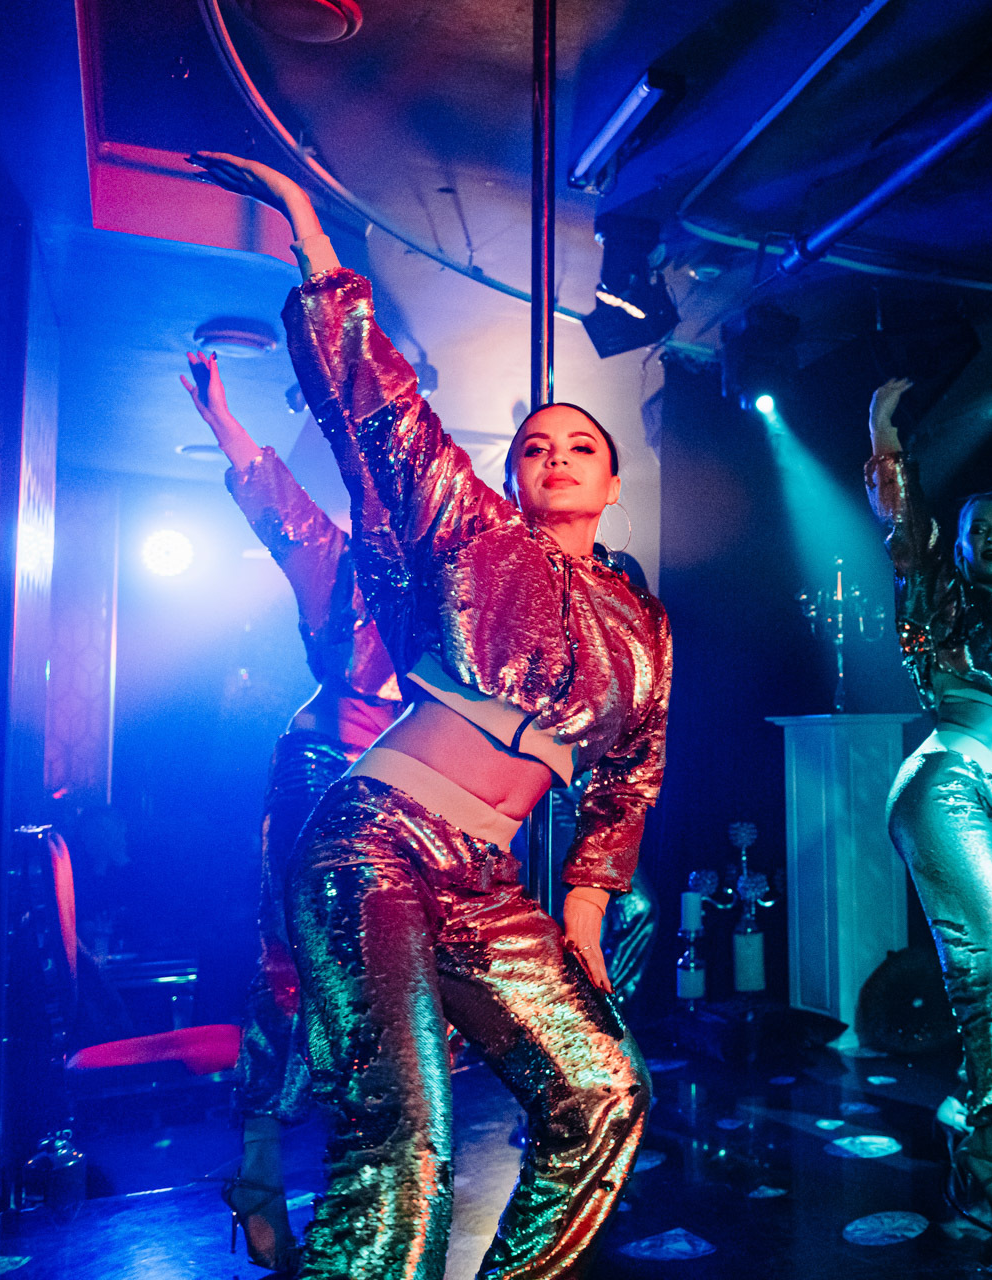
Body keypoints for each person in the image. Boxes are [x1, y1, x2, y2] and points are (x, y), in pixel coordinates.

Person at [189, 150, 669, 1280]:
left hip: (483, 879)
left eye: (582, 447)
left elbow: (632, 771)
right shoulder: (473, 537)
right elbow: (381, 406)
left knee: (604, 1092)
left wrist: (587, 907)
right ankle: (265, 1174)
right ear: (511, 479)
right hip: (374, 839)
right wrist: (311, 232)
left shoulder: (643, 624)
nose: (558, 457)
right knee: (403, 1138)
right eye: (535, 447)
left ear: (613, 485)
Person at [182, 350, 403, 1273]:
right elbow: (279, 508)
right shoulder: (340, 563)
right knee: (293, 963)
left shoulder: (464, 587)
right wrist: (225, 423)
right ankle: (261, 1164)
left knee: (388, 977)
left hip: (405, 790)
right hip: (319, 771)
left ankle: (362, 1176)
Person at [865, 377, 992, 1239]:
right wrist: (887, 441)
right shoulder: (943, 601)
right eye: (979, 530)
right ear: (963, 545)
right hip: (943, 785)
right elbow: (908, 538)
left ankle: (970, 1109)